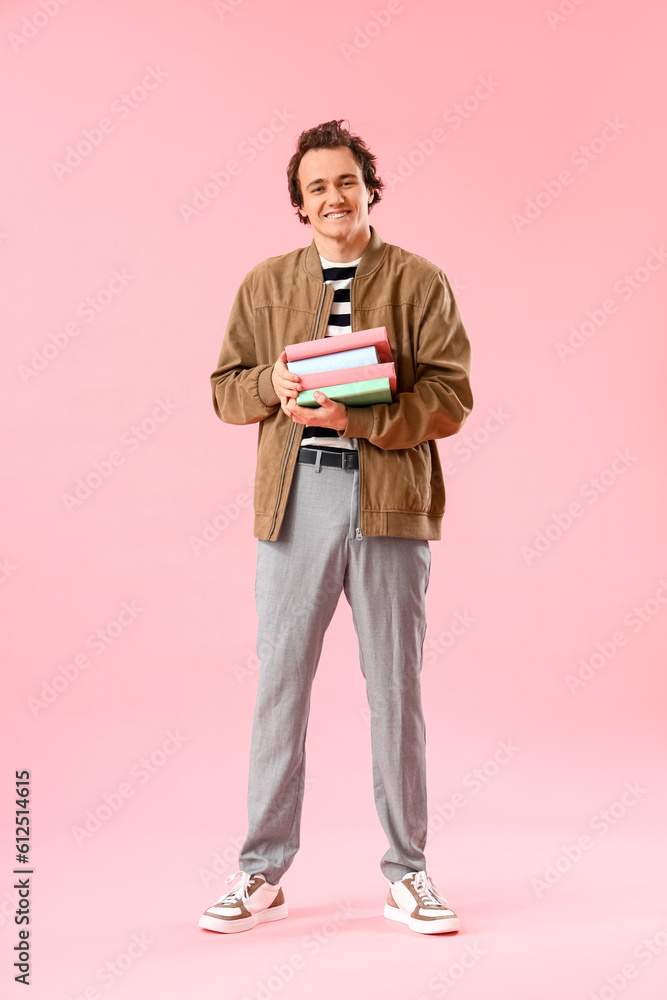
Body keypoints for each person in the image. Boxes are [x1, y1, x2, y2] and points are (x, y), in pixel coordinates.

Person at [199, 119, 473, 936]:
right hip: (294, 506)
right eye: (316, 186)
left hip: (389, 503)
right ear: (299, 204)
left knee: (396, 690)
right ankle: (260, 871)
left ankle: (409, 872)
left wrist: (360, 422)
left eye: (346, 180)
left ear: (369, 187)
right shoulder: (263, 284)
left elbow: (450, 398)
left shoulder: (420, 281)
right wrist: (272, 383)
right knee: (278, 685)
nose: (333, 197)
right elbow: (223, 389)